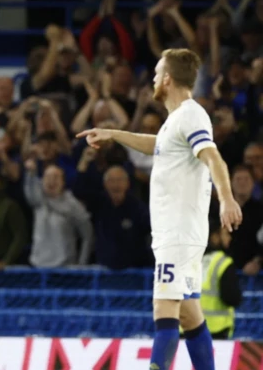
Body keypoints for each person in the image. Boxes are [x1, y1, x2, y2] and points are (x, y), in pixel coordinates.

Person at [77, 48, 243, 370]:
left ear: (167, 79)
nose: (152, 78)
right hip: (178, 233)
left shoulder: (192, 114)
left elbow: (213, 157)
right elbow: (156, 144)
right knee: (188, 313)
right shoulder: (176, 121)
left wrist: (226, 197)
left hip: (178, 234)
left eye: (156, 73)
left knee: (164, 310)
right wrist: (113, 133)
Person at [201, 219, 242, 339]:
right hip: (216, 330)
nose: (229, 238)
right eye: (226, 234)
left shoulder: (192, 260)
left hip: (187, 328)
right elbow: (232, 298)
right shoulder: (223, 262)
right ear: (214, 237)